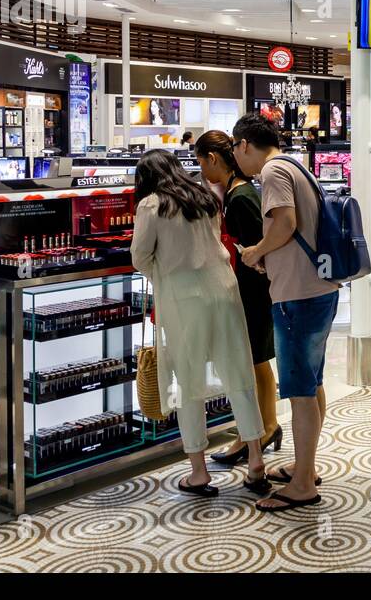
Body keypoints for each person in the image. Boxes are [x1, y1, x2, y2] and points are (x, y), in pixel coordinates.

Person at [129, 150, 269, 497]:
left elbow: (139, 256)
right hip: (224, 288)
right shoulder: (205, 197)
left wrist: (162, 270)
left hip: (184, 297)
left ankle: (198, 472)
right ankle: (255, 460)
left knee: (189, 381)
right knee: (239, 374)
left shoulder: (151, 205)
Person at [231, 112, 341, 513]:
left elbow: (285, 224)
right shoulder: (296, 165)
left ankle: (301, 486)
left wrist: (256, 251)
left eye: (234, 149)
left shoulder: (274, 171)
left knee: (298, 391)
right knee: (311, 384)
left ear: (245, 144)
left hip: (298, 294)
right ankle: (305, 467)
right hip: (318, 287)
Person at [194, 131, 283, 466]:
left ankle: (266, 427)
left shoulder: (241, 197)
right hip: (249, 290)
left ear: (213, 159)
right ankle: (262, 428)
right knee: (254, 361)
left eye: (202, 161)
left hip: (254, 293)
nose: (202, 169)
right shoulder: (236, 193)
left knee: (255, 361)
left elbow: (260, 244)